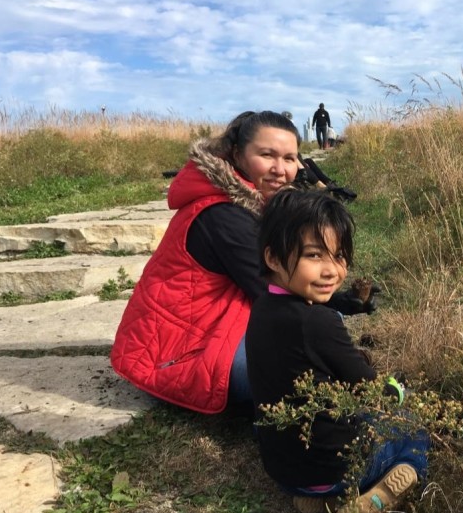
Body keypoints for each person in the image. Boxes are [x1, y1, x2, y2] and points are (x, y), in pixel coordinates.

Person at [110, 111, 375, 415]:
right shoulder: (223, 215)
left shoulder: (252, 204)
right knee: (304, 350)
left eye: (290, 158)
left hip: (213, 324)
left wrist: (342, 304)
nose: (280, 169)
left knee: (321, 331)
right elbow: (272, 293)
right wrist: (335, 316)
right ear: (237, 155)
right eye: (267, 155)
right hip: (174, 353)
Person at [246, 188, 428, 513]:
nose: (332, 270)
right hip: (333, 467)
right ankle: (374, 498)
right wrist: (396, 389)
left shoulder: (262, 309)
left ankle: (317, 497)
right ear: (273, 257)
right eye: (314, 255)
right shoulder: (318, 321)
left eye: (340, 256)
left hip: (283, 470)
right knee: (414, 436)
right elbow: (371, 390)